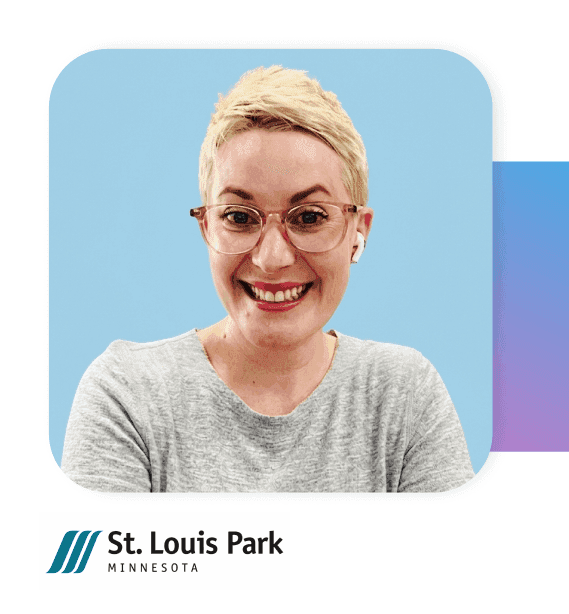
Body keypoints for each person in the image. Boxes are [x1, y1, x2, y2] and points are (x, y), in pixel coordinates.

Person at [61, 66, 475, 493]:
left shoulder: (405, 395)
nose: (272, 258)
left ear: (359, 231)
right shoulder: (126, 395)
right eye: (239, 217)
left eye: (310, 217)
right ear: (207, 228)